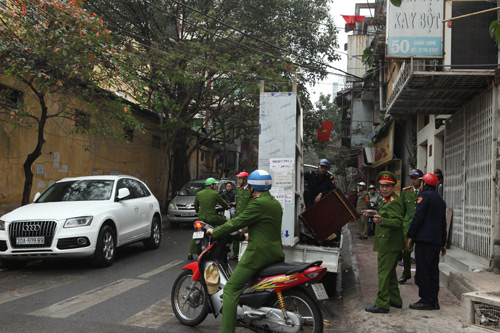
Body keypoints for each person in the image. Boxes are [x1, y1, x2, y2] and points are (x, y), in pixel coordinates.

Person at [207, 170, 284, 333]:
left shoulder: (258, 204)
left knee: (230, 290)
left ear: (252, 187)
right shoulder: (275, 204)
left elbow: (235, 222)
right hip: (275, 252)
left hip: (258, 254)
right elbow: (267, 227)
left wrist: (215, 232)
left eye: (248, 185)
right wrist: (249, 235)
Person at [363, 171, 404, 313]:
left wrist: (382, 221)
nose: (384, 189)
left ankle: (382, 304)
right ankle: (395, 300)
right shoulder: (386, 200)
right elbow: (386, 215)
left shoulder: (394, 201)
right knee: (390, 273)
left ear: (393, 187)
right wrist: (374, 213)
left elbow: (398, 222)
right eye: (382, 186)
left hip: (389, 244)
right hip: (388, 243)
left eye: (387, 186)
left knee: (383, 274)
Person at [406, 173, 447, 310]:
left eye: (422, 182)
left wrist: (410, 234)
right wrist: (443, 242)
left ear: (425, 184)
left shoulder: (424, 196)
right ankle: (434, 300)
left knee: (423, 270)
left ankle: (426, 300)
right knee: (433, 270)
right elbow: (443, 223)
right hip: (435, 241)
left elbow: (418, 217)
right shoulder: (440, 200)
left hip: (424, 240)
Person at [187, 177, 229, 260]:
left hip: (201, 217)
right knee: (227, 224)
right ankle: (221, 244)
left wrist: (199, 212)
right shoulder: (215, 194)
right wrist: (227, 207)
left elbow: (196, 205)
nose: (215, 186)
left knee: (197, 232)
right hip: (212, 218)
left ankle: (190, 253)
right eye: (215, 185)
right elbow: (223, 204)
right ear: (211, 185)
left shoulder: (199, 193)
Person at [398, 169, 423, 284]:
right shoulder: (406, 192)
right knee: (406, 251)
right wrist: (402, 224)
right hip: (408, 226)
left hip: (422, 227)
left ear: (421, 180)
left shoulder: (424, 192)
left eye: (415, 178)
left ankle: (419, 276)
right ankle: (406, 274)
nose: (413, 181)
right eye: (411, 178)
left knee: (420, 253)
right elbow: (402, 210)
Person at [231, 171, 252, 259]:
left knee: (246, 235)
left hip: (246, 216)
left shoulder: (251, 190)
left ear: (245, 180)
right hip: (237, 215)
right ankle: (235, 254)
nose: (238, 180)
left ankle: (245, 254)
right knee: (236, 234)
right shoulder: (238, 189)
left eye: (240, 179)